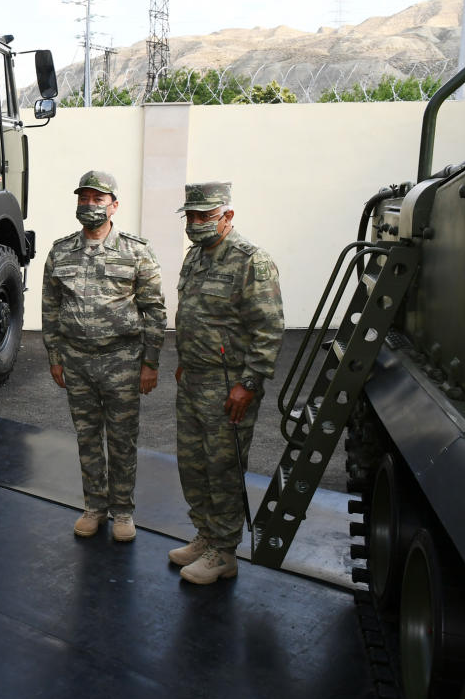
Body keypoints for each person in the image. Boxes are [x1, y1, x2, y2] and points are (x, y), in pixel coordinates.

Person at [43, 170, 167, 543]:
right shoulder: (61, 250)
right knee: (87, 438)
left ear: (114, 205)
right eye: (84, 198)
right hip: (77, 361)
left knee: (123, 439)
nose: (90, 205)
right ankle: (94, 507)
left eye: (98, 199)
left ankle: (123, 512)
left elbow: (155, 310)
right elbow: (50, 305)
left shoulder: (136, 251)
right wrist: (54, 355)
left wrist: (150, 362)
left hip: (122, 361)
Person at [171, 182, 284, 584]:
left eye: (206, 216)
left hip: (229, 386)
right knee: (193, 465)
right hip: (194, 380)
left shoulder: (251, 261)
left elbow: (268, 329)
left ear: (228, 216)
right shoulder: (196, 259)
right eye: (192, 216)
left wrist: (248, 385)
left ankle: (224, 552)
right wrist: (184, 361)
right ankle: (205, 535)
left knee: (223, 469)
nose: (197, 224)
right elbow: (193, 315)